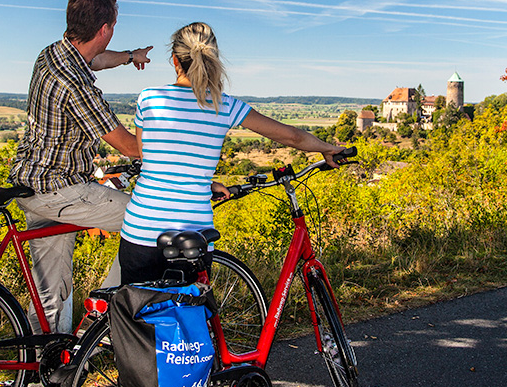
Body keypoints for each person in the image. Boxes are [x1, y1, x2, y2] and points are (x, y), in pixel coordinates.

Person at [8, 0, 152, 387]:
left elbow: (94, 58)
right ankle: (105, 314)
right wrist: (173, 148)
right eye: (114, 30)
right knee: (147, 218)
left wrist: (129, 56)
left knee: (51, 292)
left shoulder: (54, 54)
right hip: (61, 191)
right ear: (105, 27)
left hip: (31, 185)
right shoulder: (76, 85)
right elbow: (127, 145)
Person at [118, 21, 344, 285]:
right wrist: (328, 149)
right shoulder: (224, 106)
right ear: (212, 58)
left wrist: (202, 181)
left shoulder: (149, 98)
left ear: (174, 59)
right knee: (193, 319)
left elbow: (150, 160)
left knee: (137, 318)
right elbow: (291, 136)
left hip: (141, 229)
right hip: (193, 237)